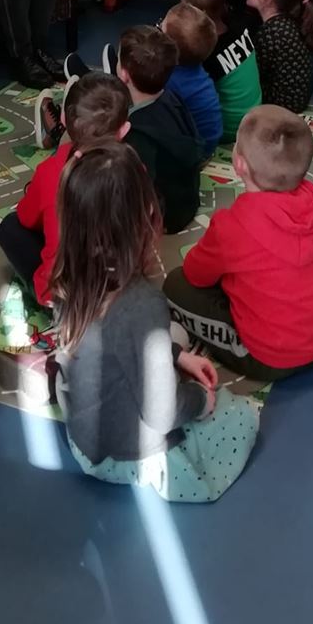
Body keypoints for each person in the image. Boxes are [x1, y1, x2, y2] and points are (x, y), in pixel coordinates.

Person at [48, 144, 259, 501]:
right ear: (146, 216)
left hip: (82, 437)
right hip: (122, 456)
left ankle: (51, 373)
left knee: (167, 338)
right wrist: (197, 399)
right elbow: (162, 414)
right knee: (240, 416)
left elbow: (121, 338)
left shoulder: (69, 275)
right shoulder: (144, 304)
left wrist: (177, 355)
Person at [164, 105, 313, 381]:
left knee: (174, 285)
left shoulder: (233, 225)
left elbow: (195, 275)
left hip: (269, 358)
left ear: (239, 164)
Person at [0, 73, 130, 306]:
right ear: (123, 130)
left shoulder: (50, 172)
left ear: (63, 120)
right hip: (121, 290)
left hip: (67, 300)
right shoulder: (135, 169)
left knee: (10, 227)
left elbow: (26, 219)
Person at [67, 26, 203, 232]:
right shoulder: (171, 97)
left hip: (167, 215)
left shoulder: (137, 135)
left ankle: (72, 116)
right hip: (187, 197)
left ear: (123, 73)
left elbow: (134, 189)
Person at [180, 0, 261, 144]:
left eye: (183, 10)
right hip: (254, 117)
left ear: (199, 14)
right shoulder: (240, 27)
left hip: (227, 129)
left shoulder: (207, 53)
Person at [249, 0, 313, 114]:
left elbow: (257, 72)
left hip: (283, 104)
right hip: (299, 97)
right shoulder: (287, 21)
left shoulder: (271, 32)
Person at [161, 1, 223, 157]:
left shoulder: (171, 80)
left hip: (194, 153)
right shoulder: (194, 67)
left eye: (159, 29)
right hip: (209, 142)